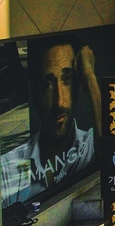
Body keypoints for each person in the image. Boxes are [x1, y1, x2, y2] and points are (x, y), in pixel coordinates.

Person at [1, 37, 101, 214]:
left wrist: (90, 79)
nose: (59, 101)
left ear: (78, 86)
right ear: (35, 93)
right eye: (47, 85)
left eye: (67, 79)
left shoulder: (91, 146)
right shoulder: (8, 168)